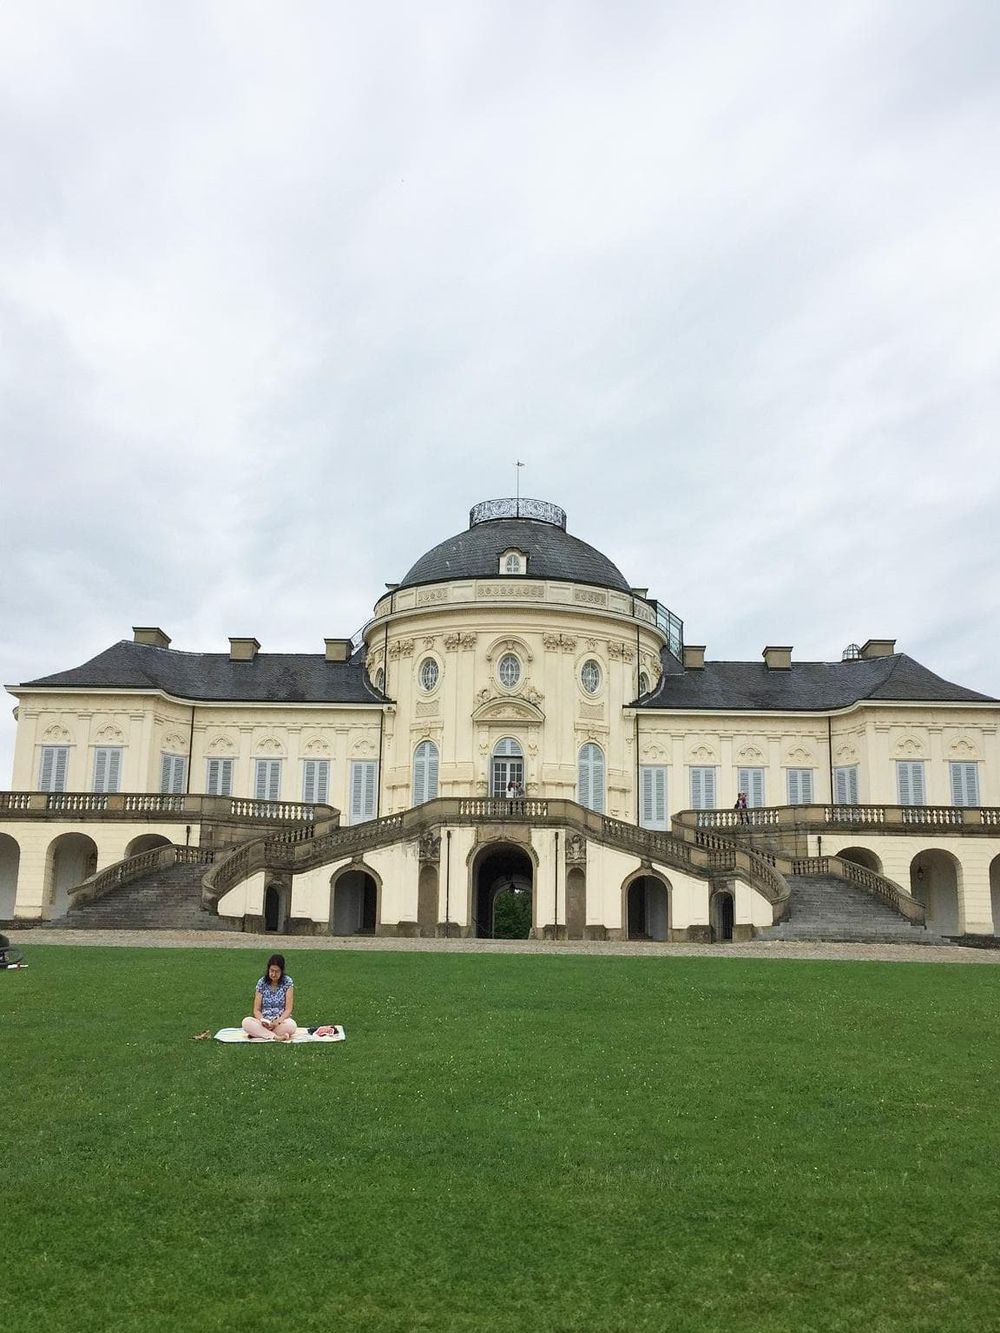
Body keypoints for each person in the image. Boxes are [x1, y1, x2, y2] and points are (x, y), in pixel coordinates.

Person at [242, 953, 297, 1041]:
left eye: (277, 971)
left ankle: (259, 1034)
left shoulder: (287, 982)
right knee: (246, 1022)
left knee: (292, 1025)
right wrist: (262, 1020)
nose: (274, 974)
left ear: (282, 971)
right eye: (272, 970)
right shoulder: (262, 982)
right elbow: (256, 1010)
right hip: (264, 1022)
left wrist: (278, 1021)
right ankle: (275, 1037)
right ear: (268, 969)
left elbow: (288, 1009)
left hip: (280, 1022)